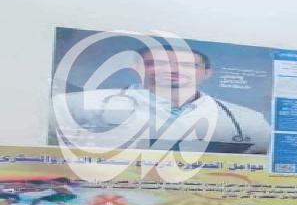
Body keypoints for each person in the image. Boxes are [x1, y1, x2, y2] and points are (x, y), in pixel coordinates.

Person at [50, 45, 271, 154]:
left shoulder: (248, 120)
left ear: (207, 73)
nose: (173, 70)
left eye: (188, 65)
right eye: (159, 63)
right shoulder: (74, 105)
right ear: (137, 68)